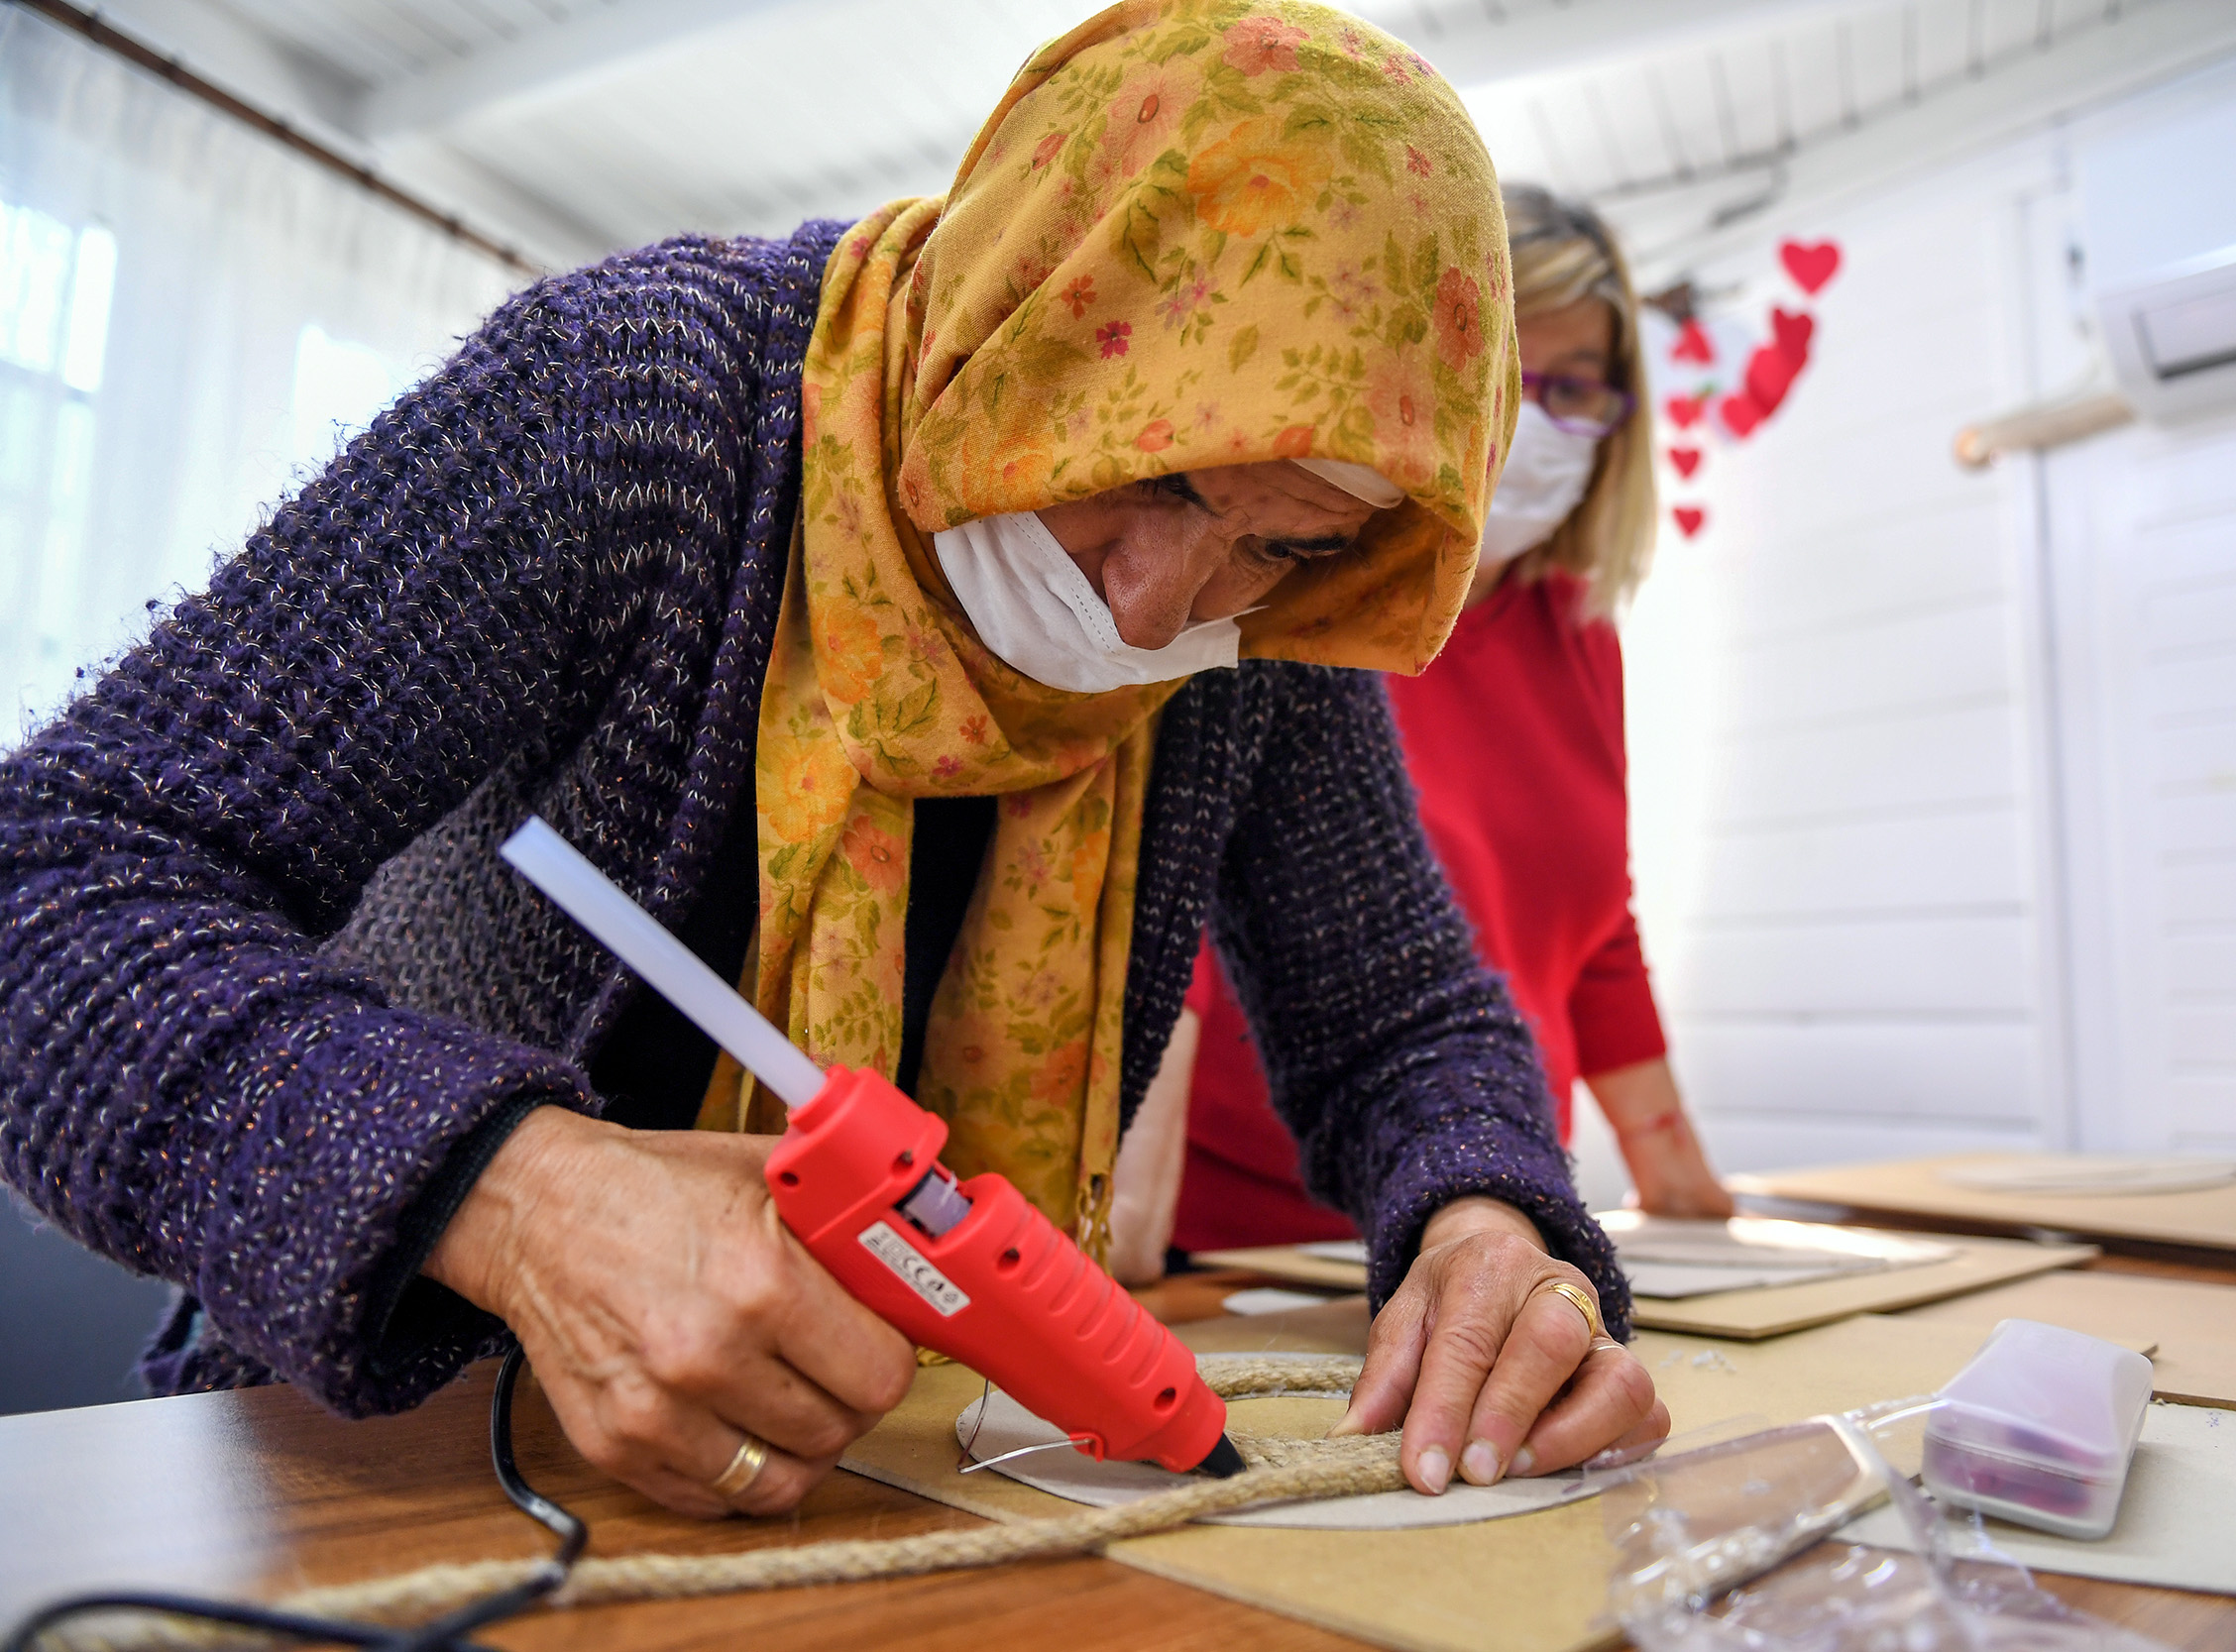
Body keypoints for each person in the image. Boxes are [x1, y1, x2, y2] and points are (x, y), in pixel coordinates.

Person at [0, 3, 1666, 1520]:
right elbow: (50, 883)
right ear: (1028, 306)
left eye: (1288, 543)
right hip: (386, 1472)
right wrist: (511, 1193)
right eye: (1147, 475)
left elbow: (1404, 1023)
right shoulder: (630, 405)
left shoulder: (1256, 638)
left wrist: (1490, 1220)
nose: (1168, 602)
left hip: (887, 1482)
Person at [1111, 184, 1733, 1281]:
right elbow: (1175, 885)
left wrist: (1682, 1186)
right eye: (1504, 376)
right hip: (1245, 1239)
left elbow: (1597, 925)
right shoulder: (1284, 587)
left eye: (1574, 387)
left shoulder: (1576, 632)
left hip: (1482, 1198)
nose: (1531, 422)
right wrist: (1114, 1191)